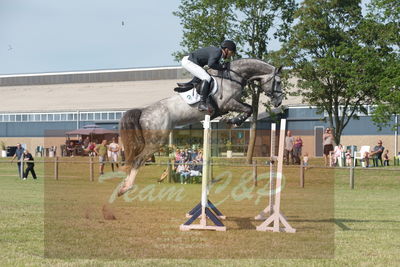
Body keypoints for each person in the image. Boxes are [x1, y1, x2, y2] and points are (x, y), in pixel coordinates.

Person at [179, 40, 236, 112]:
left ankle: (193, 88)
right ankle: (202, 103)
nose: (231, 55)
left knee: (205, 75)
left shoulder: (218, 53)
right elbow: (211, 64)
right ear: (226, 50)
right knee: (207, 77)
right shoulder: (218, 52)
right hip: (189, 61)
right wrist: (223, 67)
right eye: (232, 52)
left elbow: (212, 66)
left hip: (190, 61)